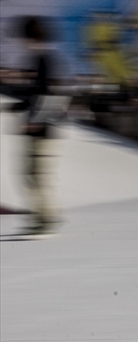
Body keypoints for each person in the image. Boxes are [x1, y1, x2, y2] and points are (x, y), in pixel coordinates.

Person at [9, 17, 68, 237]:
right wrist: (18, 106)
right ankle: (43, 217)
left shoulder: (46, 59)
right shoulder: (39, 59)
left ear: (30, 36)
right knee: (30, 174)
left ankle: (47, 218)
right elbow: (35, 94)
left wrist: (37, 121)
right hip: (38, 127)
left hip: (44, 129)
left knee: (38, 175)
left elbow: (52, 94)